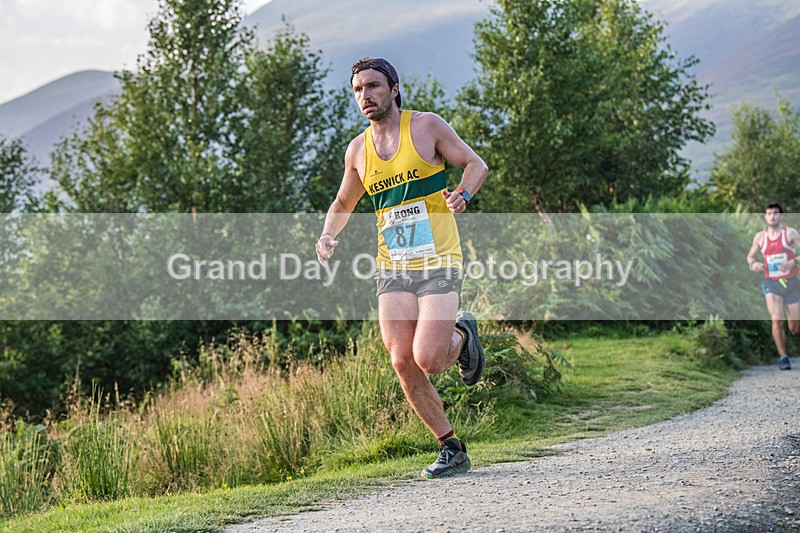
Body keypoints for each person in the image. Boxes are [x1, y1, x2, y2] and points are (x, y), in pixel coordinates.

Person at [315, 57, 489, 478]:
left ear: (393, 89)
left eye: (373, 86)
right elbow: (343, 202)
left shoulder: (426, 127)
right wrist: (327, 234)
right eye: (358, 90)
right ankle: (451, 447)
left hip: (439, 258)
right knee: (401, 360)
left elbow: (476, 165)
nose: (365, 96)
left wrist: (463, 194)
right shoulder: (358, 151)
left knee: (429, 359)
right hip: (393, 265)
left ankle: (463, 335)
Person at [746, 203, 800, 370]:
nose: (772, 216)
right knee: (776, 319)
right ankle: (783, 357)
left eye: (775, 213)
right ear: (765, 217)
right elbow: (750, 257)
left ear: (781, 216)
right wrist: (753, 264)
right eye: (769, 214)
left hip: (791, 283)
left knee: (794, 327)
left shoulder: (790, 233)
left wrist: (793, 261)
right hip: (772, 283)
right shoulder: (760, 237)